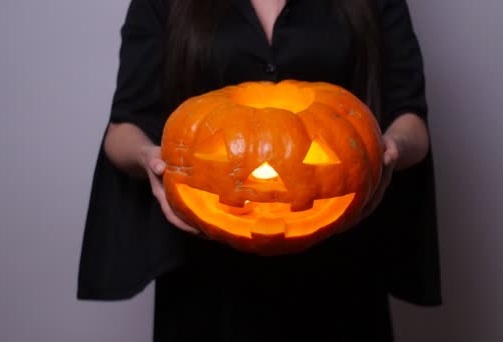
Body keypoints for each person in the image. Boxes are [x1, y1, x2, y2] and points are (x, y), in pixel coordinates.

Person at [77, 0, 442, 341]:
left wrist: (389, 151)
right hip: (205, 280)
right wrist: (149, 158)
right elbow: (123, 128)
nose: (265, 179)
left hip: (344, 272)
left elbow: (410, 118)